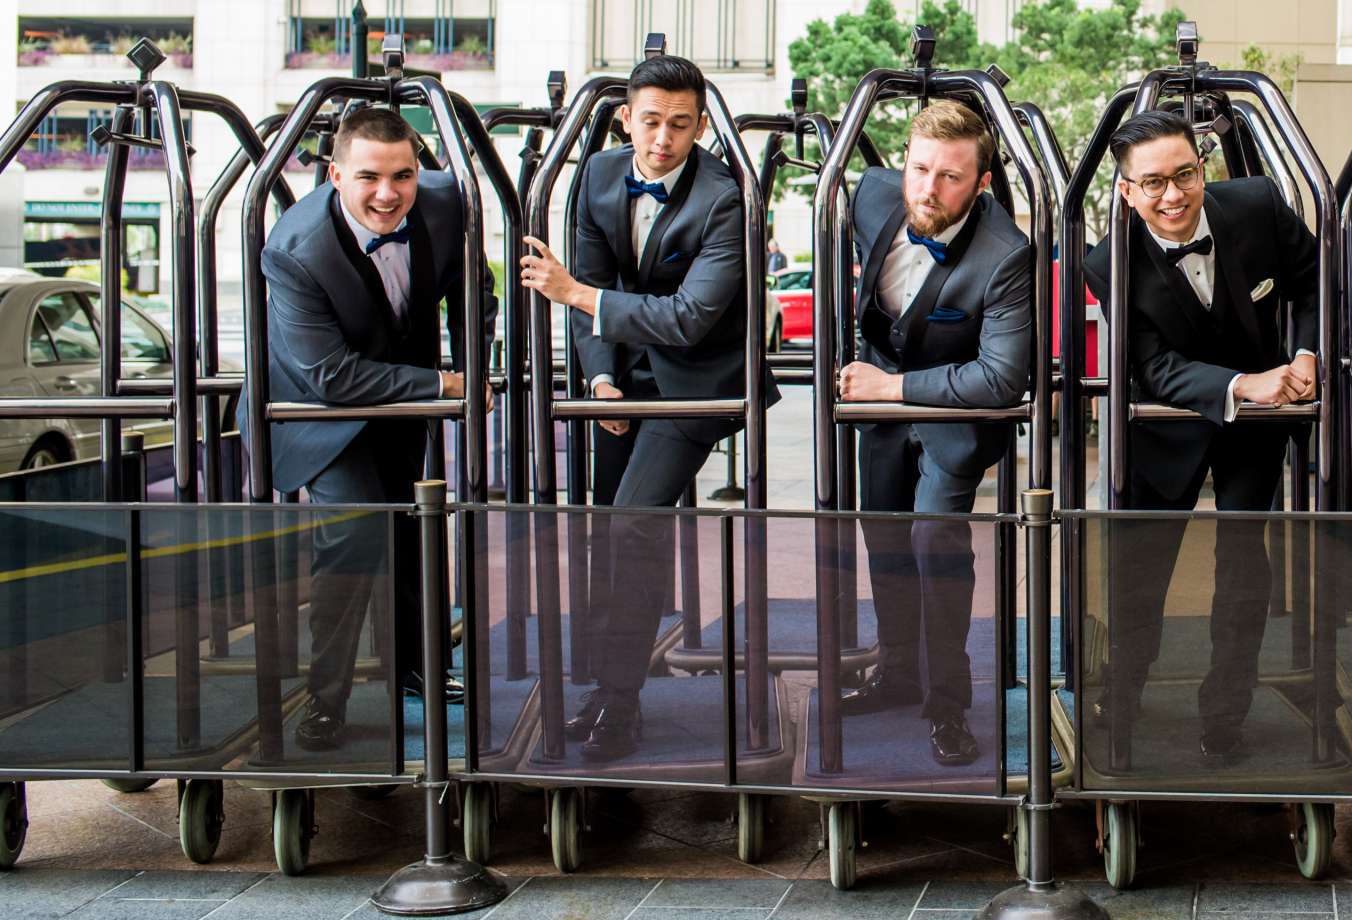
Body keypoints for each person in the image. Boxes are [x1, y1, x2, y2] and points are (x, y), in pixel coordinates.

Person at [519, 53, 778, 762]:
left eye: (682, 124)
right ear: (625, 118)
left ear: (701, 128)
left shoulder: (727, 198)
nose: (663, 138)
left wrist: (574, 295)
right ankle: (606, 688)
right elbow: (592, 284)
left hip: (700, 382)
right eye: (652, 121)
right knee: (608, 531)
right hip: (623, 378)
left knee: (633, 524)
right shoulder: (598, 176)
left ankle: (621, 699)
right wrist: (601, 381)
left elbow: (692, 317)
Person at [1083, 109, 1319, 765]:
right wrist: (1244, 384)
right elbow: (1153, 366)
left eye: (1184, 174)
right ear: (1127, 192)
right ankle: (1121, 698)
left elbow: (1317, 281)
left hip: (1259, 430)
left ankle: (1226, 715)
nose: (1173, 195)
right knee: (1141, 572)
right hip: (1165, 434)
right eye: (1153, 183)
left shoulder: (1258, 204)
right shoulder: (1109, 262)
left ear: (1202, 167)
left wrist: (1306, 356)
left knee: (1246, 570)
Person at [247, 106, 487, 752]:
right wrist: (445, 384)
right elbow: (327, 376)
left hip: (401, 400)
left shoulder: (445, 204)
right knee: (354, 533)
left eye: (402, 175)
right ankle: (327, 699)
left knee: (415, 525)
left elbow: (477, 294)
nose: (388, 194)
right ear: (334, 174)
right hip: (317, 413)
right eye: (369, 177)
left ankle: (420, 668)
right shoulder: (295, 250)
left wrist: (473, 366)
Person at [834, 99, 1032, 768]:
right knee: (883, 536)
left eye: (951, 176)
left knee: (934, 539)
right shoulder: (872, 195)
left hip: (951, 415)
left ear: (981, 182)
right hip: (879, 410)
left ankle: (948, 704)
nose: (929, 188)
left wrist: (891, 387)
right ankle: (896, 675)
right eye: (920, 168)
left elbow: (1002, 380)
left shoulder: (1007, 254)